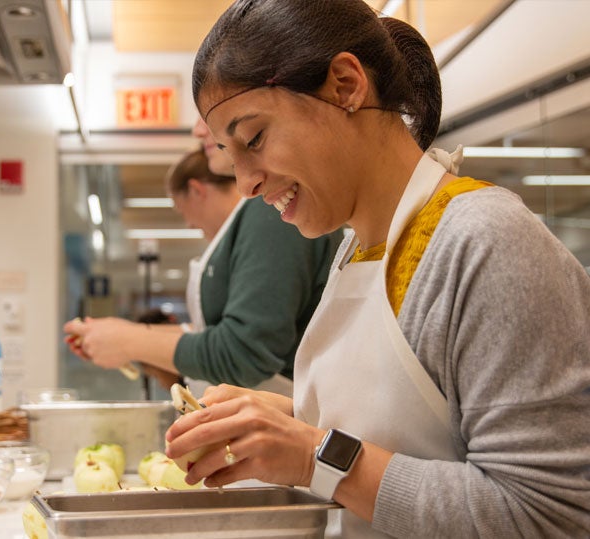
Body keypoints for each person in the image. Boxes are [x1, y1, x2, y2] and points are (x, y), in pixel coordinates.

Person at [165, 1, 590, 538]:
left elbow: (548, 515)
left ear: (345, 85)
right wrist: (285, 419)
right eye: (230, 156)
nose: (246, 183)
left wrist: (310, 454)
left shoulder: (486, 242)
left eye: (254, 139)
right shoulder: (357, 248)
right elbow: (421, 436)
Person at [64, 131, 342, 397]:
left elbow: (244, 353)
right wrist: (121, 335)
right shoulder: (252, 223)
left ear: (196, 190)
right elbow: (216, 334)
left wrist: (128, 342)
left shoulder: (272, 214)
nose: (199, 130)